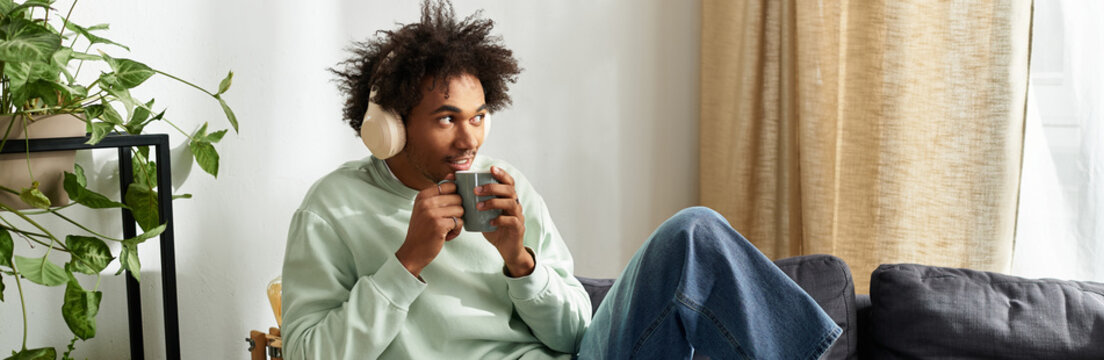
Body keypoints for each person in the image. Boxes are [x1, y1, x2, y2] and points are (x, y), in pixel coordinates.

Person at [280, 1, 840, 359]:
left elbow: (575, 334)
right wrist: (406, 265)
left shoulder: (505, 186)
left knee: (695, 231)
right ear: (392, 126)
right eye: (447, 119)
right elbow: (307, 353)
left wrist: (519, 261)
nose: (470, 139)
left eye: (479, 117)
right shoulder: (333, 209)